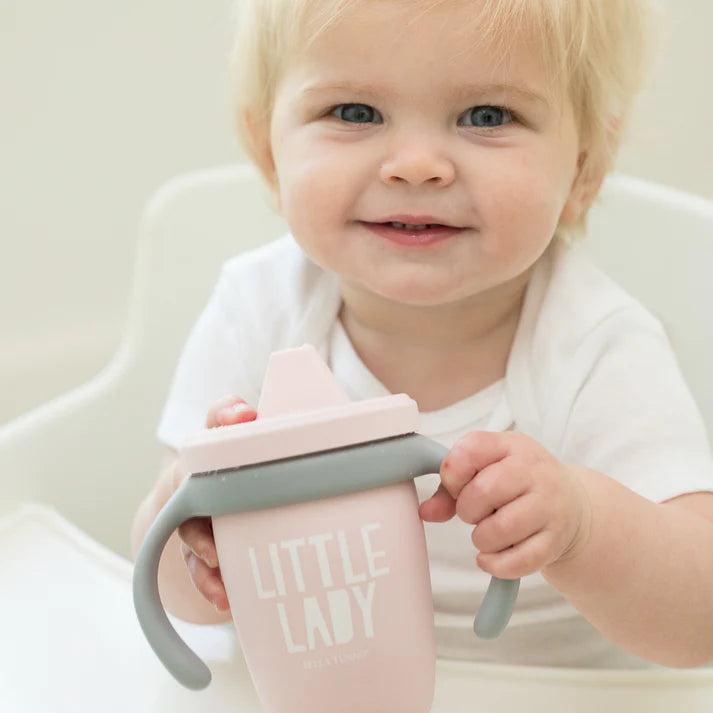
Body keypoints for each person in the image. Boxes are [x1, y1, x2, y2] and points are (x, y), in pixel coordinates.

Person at [131, 0, 713, 669]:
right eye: (354, 112)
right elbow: (180, 596)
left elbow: (699, 620)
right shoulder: (257, 309)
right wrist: (195, 535)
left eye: (486, 116)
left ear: (582, 171)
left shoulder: (594, 345)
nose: (415, 165)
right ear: (267, 150)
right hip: (319, 684)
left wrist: (583, 524)